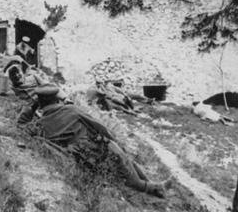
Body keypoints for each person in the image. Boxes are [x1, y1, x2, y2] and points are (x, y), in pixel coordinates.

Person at [20, 84, 172, 198]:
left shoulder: (41, 124)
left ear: (40, 103)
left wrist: (31, 108)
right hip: (101, 148)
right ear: (56, 98)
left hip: (82, 158)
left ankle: (155, 186)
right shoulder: (71, 110)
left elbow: (21, 125)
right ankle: (154, 189)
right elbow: (98, 125)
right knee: (130, 171)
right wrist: (114, 141)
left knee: (128, 169)